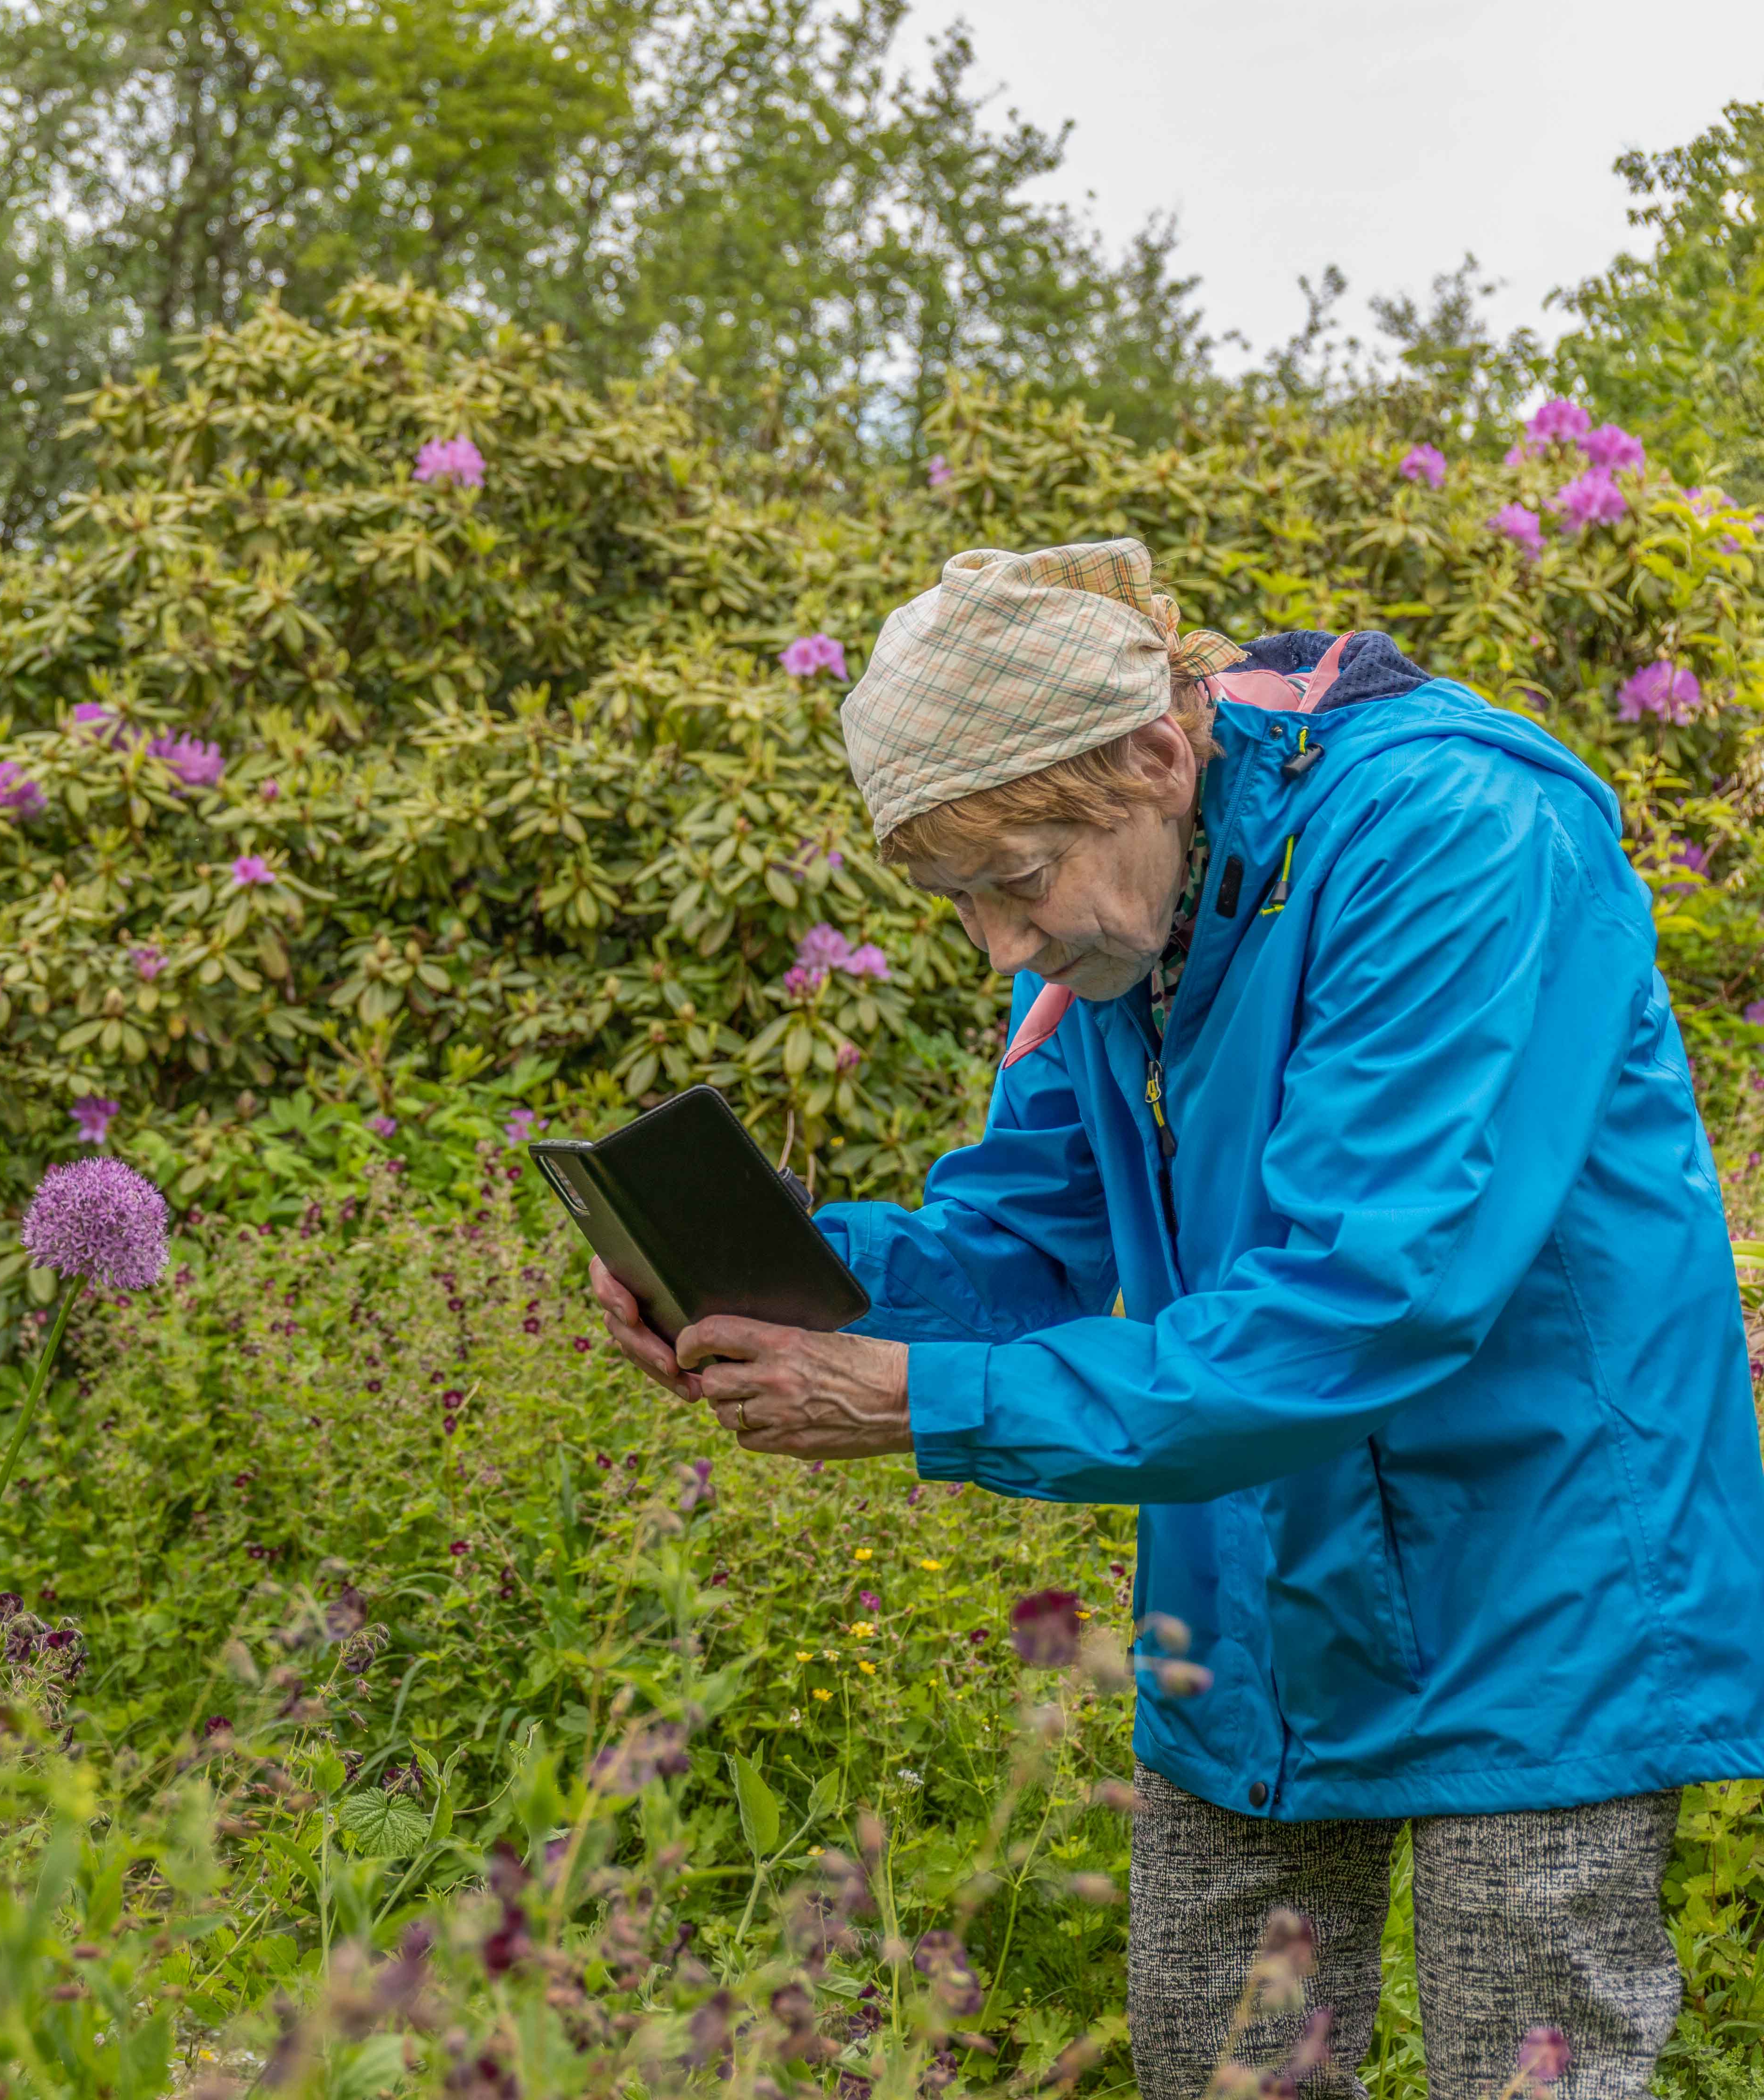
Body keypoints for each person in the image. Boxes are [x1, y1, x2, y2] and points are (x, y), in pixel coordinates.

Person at [590, 540, 1764, 2100]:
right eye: (956, 901)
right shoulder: (1128, 912)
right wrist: (782, 1279)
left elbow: (1364, 1302)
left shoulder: (1459, 836)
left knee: (1523, 2074)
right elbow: (1022, 1241)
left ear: (1156, 750)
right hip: (1250, 1583)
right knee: (1225, 2069)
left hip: (1539, 1575)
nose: (1004, 948)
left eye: (1013, 881)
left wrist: (918, 1404)